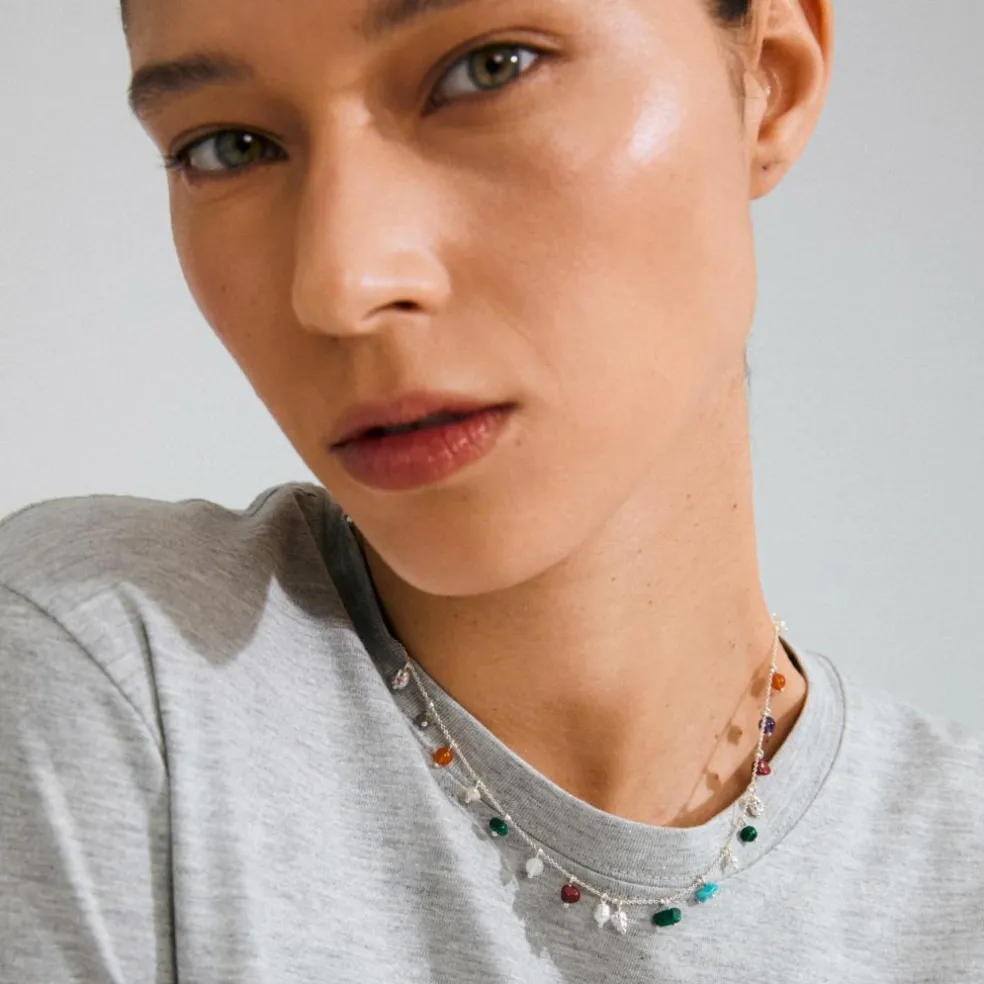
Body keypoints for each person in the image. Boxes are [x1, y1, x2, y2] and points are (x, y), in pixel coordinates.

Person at [1, 0, 981, 980]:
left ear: (770, 78)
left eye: (489, 69)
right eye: (229, 146)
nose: (339, 283)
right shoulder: (114, 691)